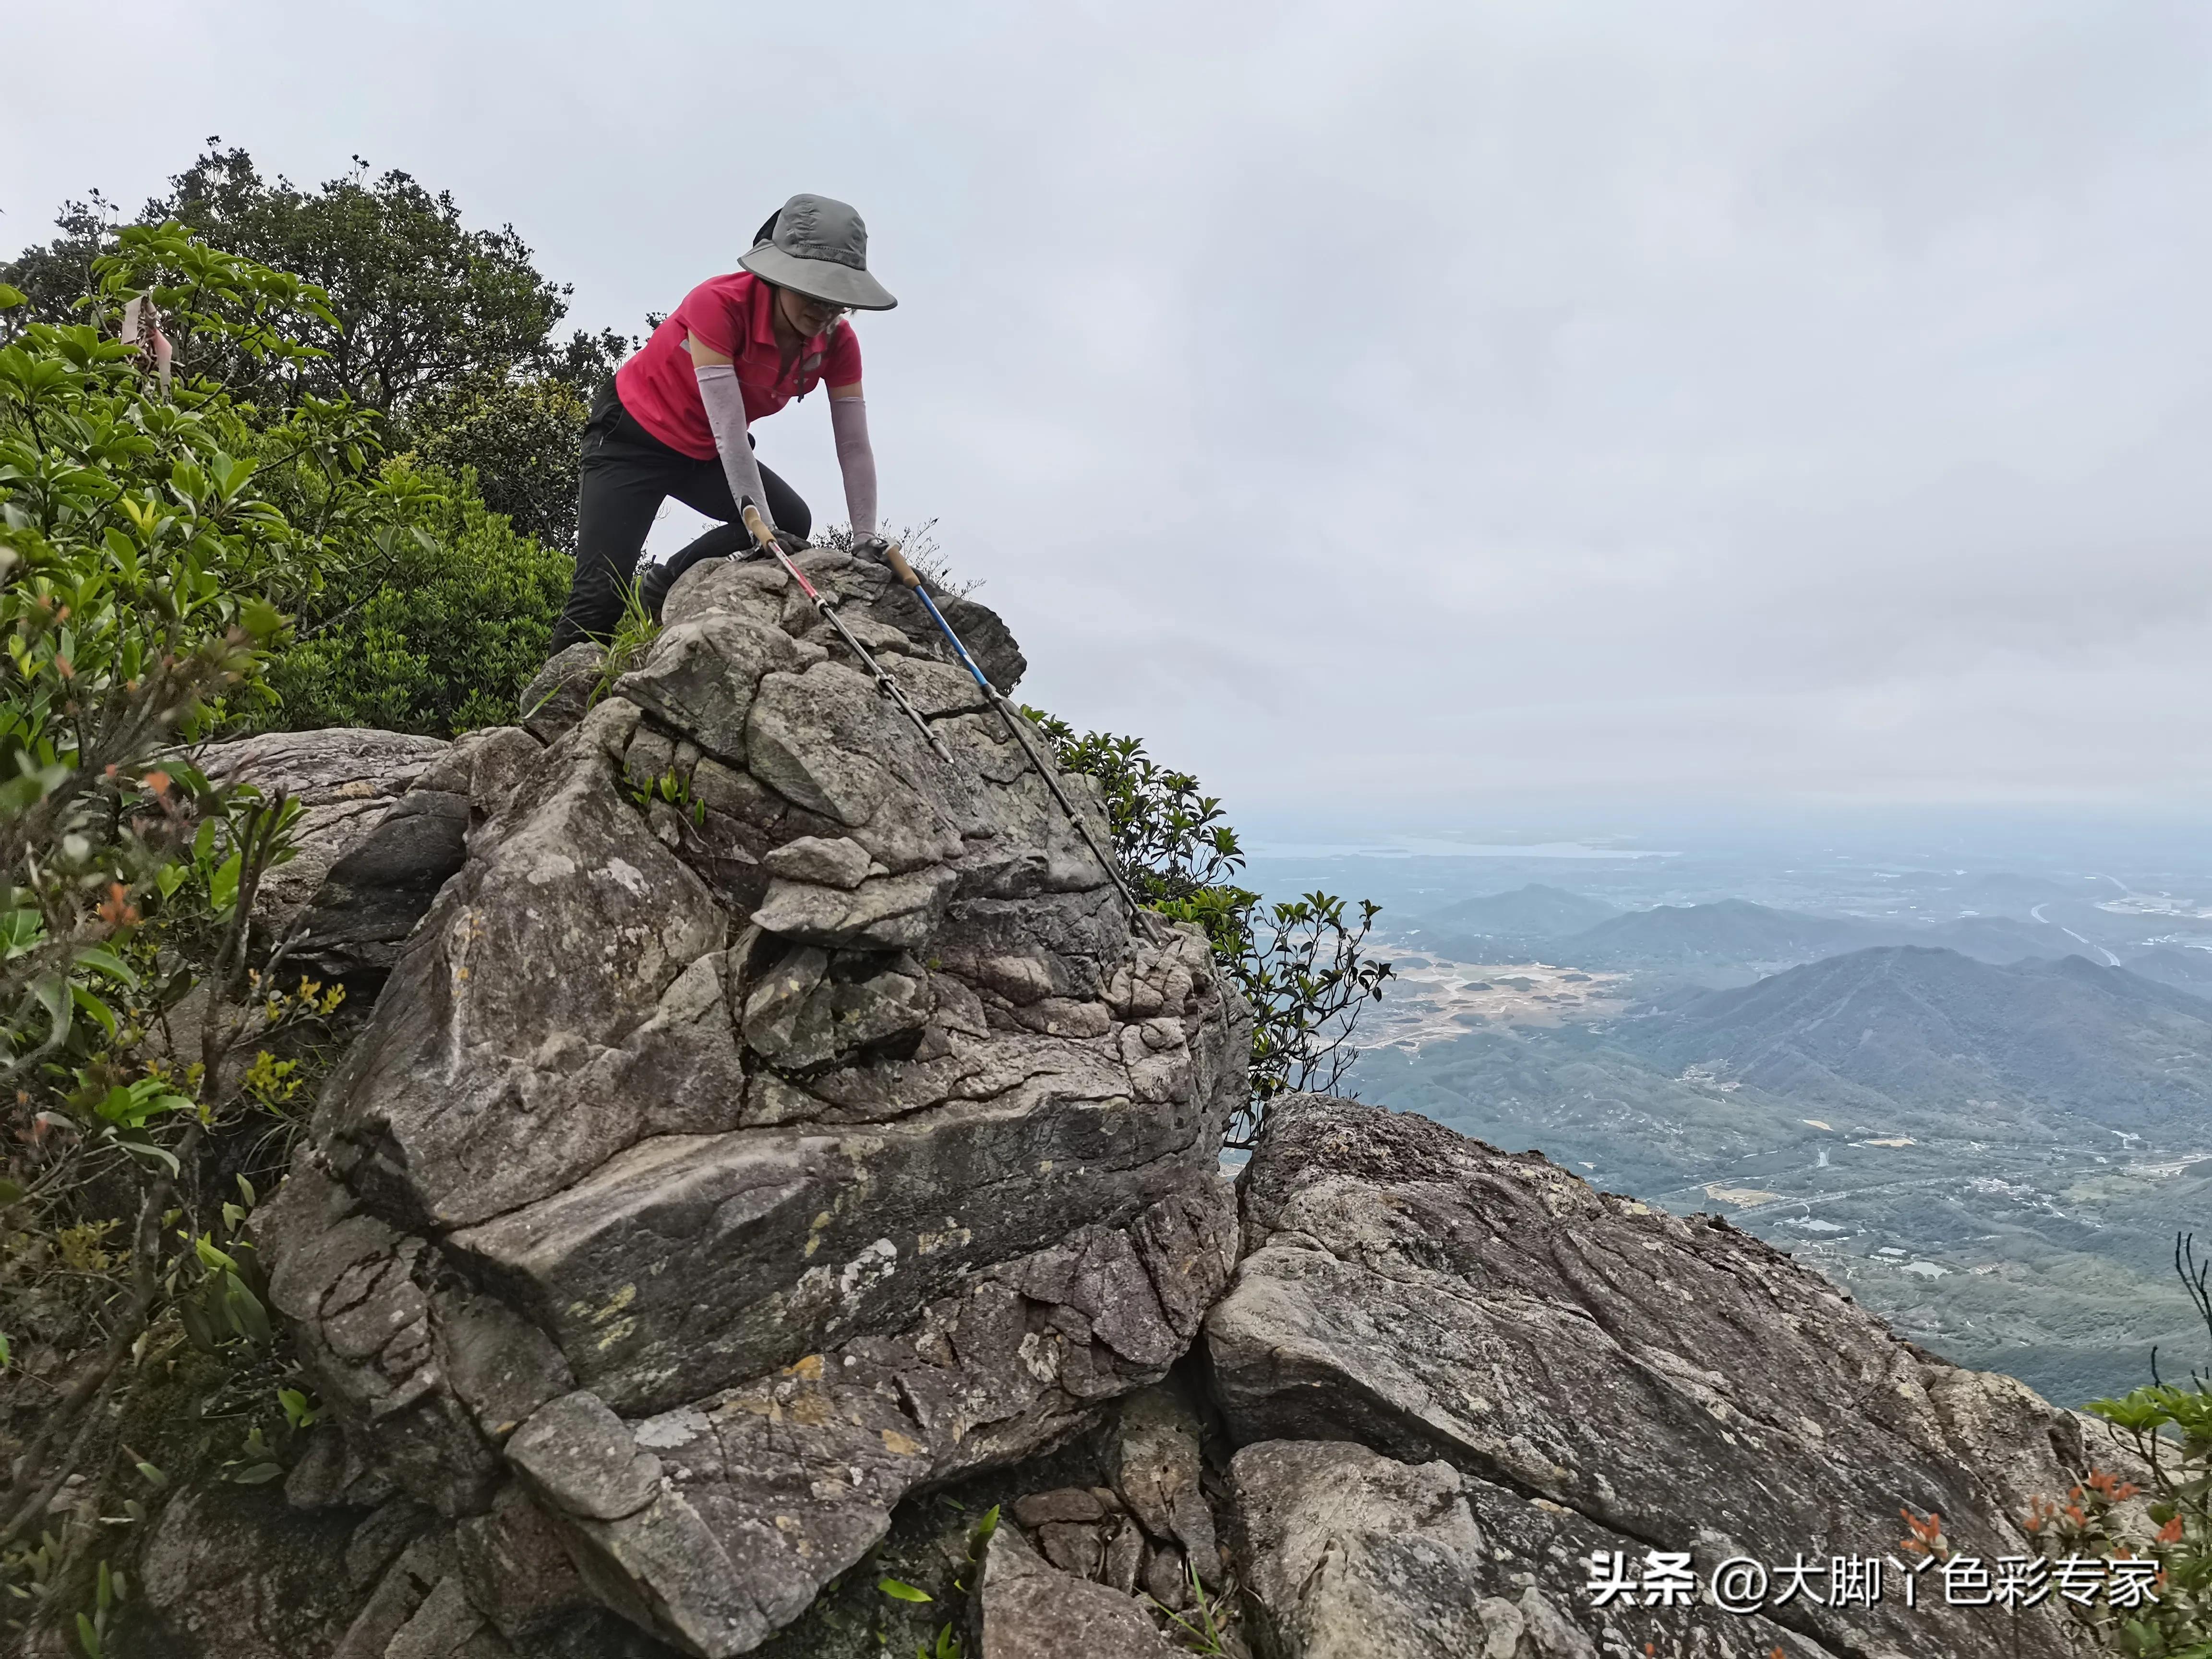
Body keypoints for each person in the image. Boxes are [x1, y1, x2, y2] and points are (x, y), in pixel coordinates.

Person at [546, 192, 896, 652]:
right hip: (631, 440)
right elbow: (730, 429)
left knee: (791, 522)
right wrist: (761, 529)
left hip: (702, 451)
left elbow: (853, 446)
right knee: (599, 598)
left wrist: (865, 540)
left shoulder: (838, 343)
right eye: (811, 292)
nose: (823, 309)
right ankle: (542, 719)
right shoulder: (719, 304)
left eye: (835, 298)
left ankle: (662, 585)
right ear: (777, 276)